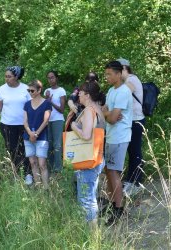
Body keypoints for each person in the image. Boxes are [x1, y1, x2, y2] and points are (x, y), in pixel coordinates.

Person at [0, 66, 33, 185]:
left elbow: (32, 106)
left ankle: (28, 174)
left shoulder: (25, 89)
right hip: (7, 125)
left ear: (16, 77)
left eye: (9, 76)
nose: (6, 79)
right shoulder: (2, 89)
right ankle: (17, 174)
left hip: (23, 125)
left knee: (25, 149)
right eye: (5, 76)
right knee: (12, 150)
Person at [70, 80, 106, 225]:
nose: (78, 95)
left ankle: (91, 236)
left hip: (88, 159)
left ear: (88, 95)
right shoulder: (98, 109)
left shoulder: (89, 110)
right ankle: (92, 234)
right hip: (96, 157)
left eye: (80, 93)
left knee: (86, 200)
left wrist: (74, 126)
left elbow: (86, 135)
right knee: (89, 197)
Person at [101, 61, 133, 225]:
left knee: (114, 172)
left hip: (120, 137)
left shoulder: (123, 92)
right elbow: (104, 110)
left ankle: (119, 210)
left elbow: (112, 118)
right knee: (108, 171)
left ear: (119, 74)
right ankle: (112, 203)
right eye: (106, 74)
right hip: (111, 135)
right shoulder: (111, 91)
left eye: (109, 74)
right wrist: (108, 113)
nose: (106, 77)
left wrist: (108, 114)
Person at [117, 58, 145, 197]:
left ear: (124, 68)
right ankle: (130, 180)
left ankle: (136, 183)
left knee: (135, 151)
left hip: (136, 121)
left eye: (117, 70)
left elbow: (123, 94)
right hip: (131, 121)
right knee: (131, 151)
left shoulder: (132, 80)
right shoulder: (127, 81)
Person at [23, 80, 52, 190]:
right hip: (28, 137)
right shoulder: (27, 104)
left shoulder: (46, 103)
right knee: (32, 162)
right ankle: (38, 186)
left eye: (32, 90)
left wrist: (36, 134)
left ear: (39, 90)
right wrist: (30, 133)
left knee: (42, 164)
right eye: (28, 90)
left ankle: (46, 188)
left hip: (42, 137)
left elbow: (46, 120)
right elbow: (24, 121)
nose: (30, 92)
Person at [43, 70, 66, 173]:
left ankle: (58, 168)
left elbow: (62, 109)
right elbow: (44, 107)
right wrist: (47, 99)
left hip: (58, 120)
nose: (50, 79)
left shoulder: (61, 91)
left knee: (57, 144)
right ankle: (50, 167)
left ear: (56, 78)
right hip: (48, 120)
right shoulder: (47, 91)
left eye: (52, 77)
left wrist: (50, 102)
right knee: (49, 144)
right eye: (48, 78)